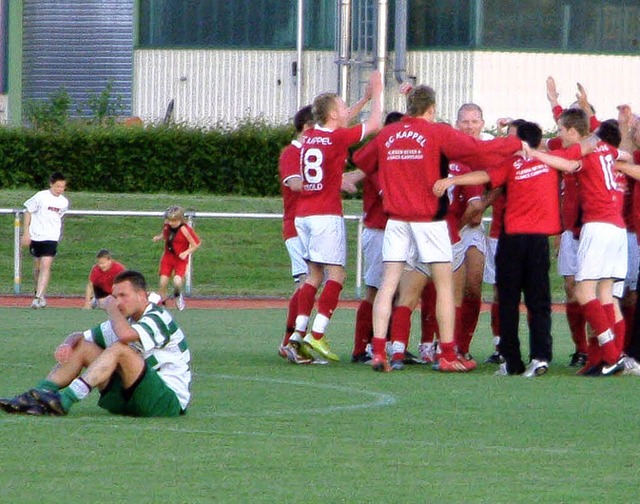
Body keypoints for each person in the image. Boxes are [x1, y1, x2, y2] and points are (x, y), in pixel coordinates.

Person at [351, 84, 521, 372]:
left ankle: (379, 351)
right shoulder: (435, 132)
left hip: (396, 221)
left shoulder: (388, 134)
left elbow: (361, 161)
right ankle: (446, 355)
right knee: (444, 287)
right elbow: (478, 151)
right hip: (428, 222)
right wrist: (514, 144)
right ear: (432, 109)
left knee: (388, 284)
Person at [435, 121, 561, 377]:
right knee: (521, 301)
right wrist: (454, 180)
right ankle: (524, 359)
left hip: (518, 239)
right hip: (525, 240)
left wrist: (453, 180)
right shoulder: (529, 162)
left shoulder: (546, 160)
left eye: (512, 138)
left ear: (522, 141)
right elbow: (485, 176)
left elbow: (574, 154)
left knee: (522, 301)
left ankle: (529, 359)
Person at [0, 270, 192, 417]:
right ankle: (37, 395)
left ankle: (65, 401)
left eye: (123, 296)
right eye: (115, 297)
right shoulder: (126, 320)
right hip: (133, 397)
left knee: (120, 349)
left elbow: (125, 336)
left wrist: (110, 307)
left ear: (142, 295)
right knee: (83, 347)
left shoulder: (158, 317)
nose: (118, 302)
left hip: (166, 401)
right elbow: (81, 336)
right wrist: (68, 344)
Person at [526, 110, 631, 376]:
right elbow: (626, 156)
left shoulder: (584, 152)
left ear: (574, 130)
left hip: (597, 226)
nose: (560, 135)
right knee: (606, 294)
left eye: (561, 130)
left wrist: (534, 153)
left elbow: (568, 164)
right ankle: (604, 360)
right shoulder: (606, 148)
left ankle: (611, 354)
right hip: (617, 228)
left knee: (585, 293)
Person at [289, 70, 383, 363]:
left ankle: (297, 334)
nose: (347, 111)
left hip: (303, 215)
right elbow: (375, 123)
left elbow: (339, 125)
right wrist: (378, 93)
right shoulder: (337, 138)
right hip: (325, 215)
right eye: (342, 106)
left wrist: (362, 99)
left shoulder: (311, 137)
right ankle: (318, 334)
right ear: (331, 114)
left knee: (313, 275)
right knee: (337, 275)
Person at [277, 104, 318, 364]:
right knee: (306, 283)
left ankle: (292, 341)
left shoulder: (311, 153)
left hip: (311, 227)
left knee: (309, 284)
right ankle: (289, 342)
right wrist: (326, 183)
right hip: (296, 227)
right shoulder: (292, 153)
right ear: (307, 127)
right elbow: (295, 184)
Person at [21, 172, 70, 309]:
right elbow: (28, 211)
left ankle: (38, 298)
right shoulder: (40, 196)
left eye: (62, 187)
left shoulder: (63, 202)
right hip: (36, 236)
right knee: (37, 267)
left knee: (45, 265)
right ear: (51, 184)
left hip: (51, 237)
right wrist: (26, 233)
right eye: (57, 186)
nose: (60, 189)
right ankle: (39, 293)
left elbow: (58, 217)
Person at [152, 206, 201, 311]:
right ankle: (162, 302)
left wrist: (186, 252)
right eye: (169, 220)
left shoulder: (185, 229)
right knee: (162, 282)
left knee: (177, 281)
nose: (171, 223)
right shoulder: (167, 226)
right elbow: (165, 234)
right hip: (168, 257)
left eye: (174, 221)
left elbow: (196, 244)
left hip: (180, 259)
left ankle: (177, 295)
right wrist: (159, 237)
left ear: (180, 220)